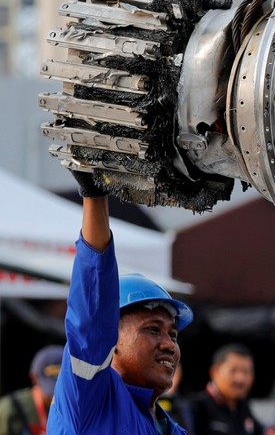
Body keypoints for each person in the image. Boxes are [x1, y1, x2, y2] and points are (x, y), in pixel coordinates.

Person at [48, 173, 194, 434]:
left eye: (173, 334)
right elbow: (92, 314)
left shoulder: (172, 429)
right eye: (152, 329)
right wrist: (94, 196)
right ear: (111, 342)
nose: (169, 344)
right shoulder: (89, 399)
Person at [190, 343, 265, 435]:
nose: (240, 379)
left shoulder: (243, 406)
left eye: (246, 372)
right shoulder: (195, 407)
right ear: (214, 372)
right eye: (233, 371)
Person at [0, 345, 63, 435]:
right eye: (50, 392)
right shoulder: (9, 410)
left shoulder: (72, 410)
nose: (54, 397)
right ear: (33, 377)